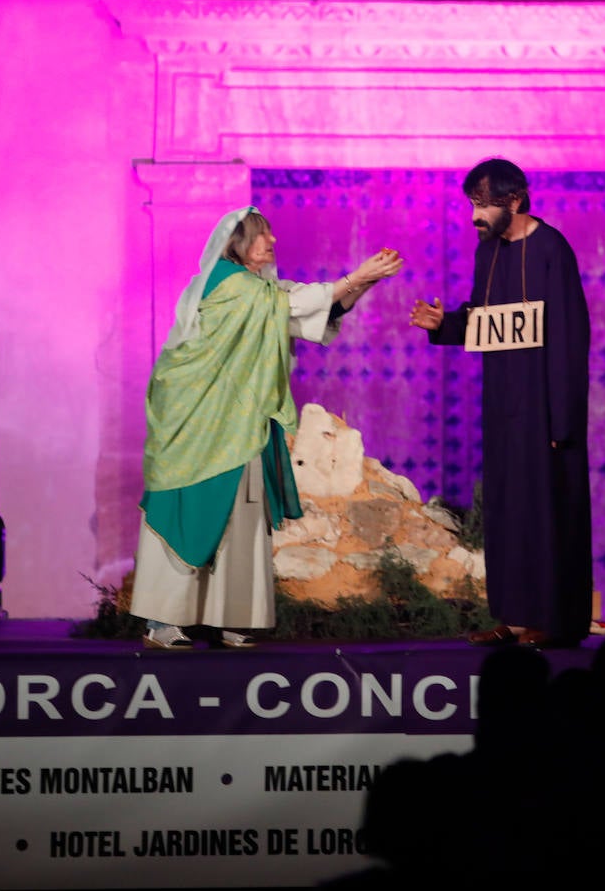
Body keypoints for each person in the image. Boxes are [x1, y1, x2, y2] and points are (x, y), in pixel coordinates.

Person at [131, 206, 402, 649]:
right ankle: (163, 620)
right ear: (237, 242)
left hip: (238, 420)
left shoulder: (259, 291)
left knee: (241, 511)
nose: (272, 242)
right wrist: (354, 276)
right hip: (200, 422)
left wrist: (364, 282)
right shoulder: (227, 283)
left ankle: (231, 615)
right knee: (191, 508)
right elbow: (293, 304)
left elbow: (300, 312)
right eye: (261, 235)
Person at [408, 158, 593, 648]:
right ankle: (511, 617)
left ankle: (551, 621)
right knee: (508, 510)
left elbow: (570, 337)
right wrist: (442, 326)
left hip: (546, 408)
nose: (476, 214)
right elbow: (482, 318)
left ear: (514, 200)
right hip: (503, 406)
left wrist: (563, 418)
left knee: (546, 512)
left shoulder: (552, 248)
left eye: (485, 204)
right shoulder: (486, 252)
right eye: (473, 203)